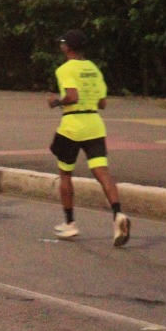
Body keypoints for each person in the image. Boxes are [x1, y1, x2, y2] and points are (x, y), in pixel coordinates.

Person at [47, 29, 130, 247]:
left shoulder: (65, 69)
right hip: (94, 124)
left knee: (65, 173)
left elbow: (72, 97)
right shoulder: (93, 68)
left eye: (62, 43)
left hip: (72, 126)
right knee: (102, 172)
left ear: (67, 47)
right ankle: (118, 215)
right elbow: (102, 103)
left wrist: (56, 101)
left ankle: (70, 223)